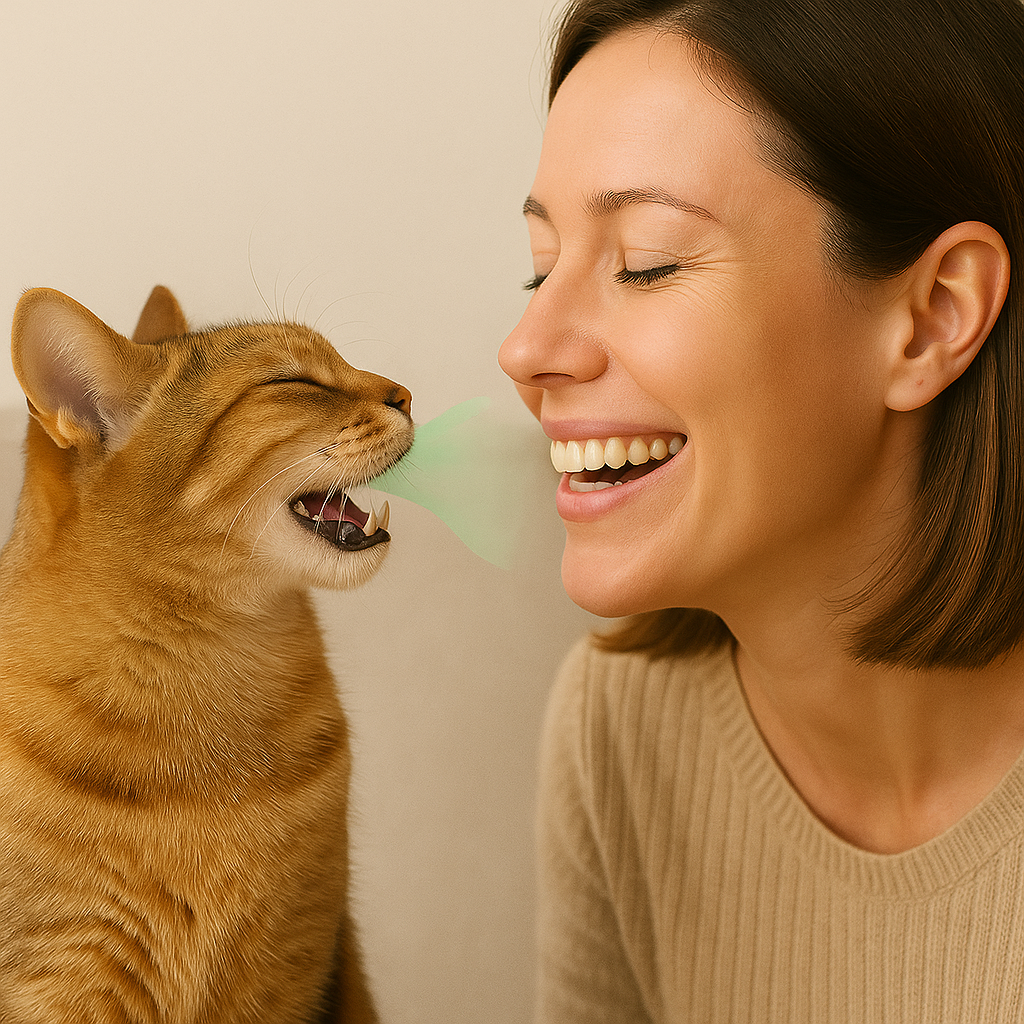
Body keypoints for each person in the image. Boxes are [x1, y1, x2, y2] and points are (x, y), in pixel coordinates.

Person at [498, 0, 1024, 1019]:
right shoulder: (624, 732)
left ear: (932, 319)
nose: (525, 347)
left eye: (645, 261)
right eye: (539, 262)